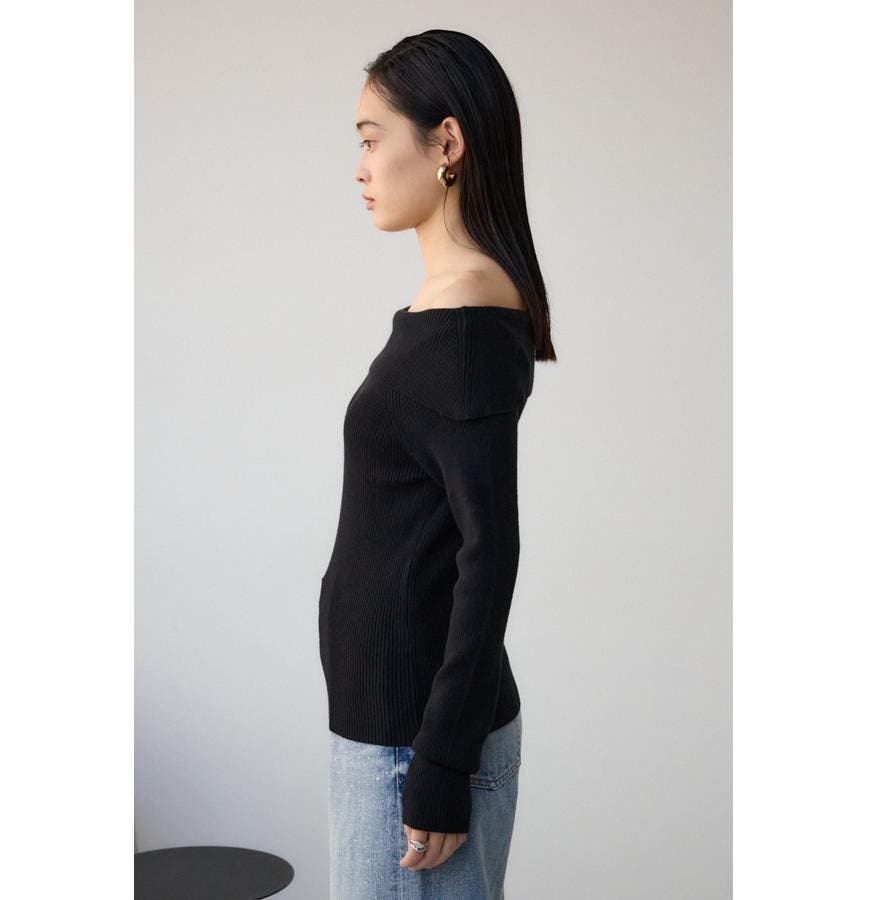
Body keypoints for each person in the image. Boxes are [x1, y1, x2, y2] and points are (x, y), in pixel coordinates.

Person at [319, 29, 557, 899]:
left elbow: (489, 551)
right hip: (392, 732)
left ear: (446, 142)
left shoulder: (464, 323)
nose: (360, 167)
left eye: (371, 138)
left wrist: (443, 762)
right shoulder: (445, 310)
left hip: (413, 746)